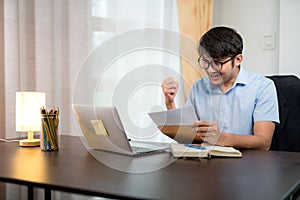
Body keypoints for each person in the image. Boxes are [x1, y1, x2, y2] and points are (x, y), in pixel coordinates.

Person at [162, 26, 279, 150]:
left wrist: (221, 138)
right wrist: (170, 104)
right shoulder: (198, 87)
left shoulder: (263, 87)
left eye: (217, 63)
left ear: (238, 59)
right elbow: (187, 137)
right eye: (205, 62)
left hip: (245, 163)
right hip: (206, 163)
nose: (210, 70)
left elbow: (263, 143)